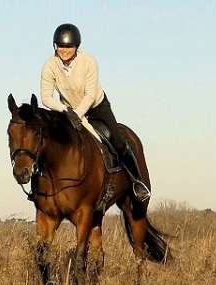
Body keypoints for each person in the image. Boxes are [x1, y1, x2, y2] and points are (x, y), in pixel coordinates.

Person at [40, 23, 151, 202]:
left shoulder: (88, 61)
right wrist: (65, 110)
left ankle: (137, 182)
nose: (64, 50)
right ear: (55, 46)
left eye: (69, 46)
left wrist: (78, 114)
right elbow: (46, 97)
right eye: (60, 46)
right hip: (68, 110)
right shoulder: (49, 66)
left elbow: (90, 94)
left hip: (96, 107)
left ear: (76, 46)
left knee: (119, 141)